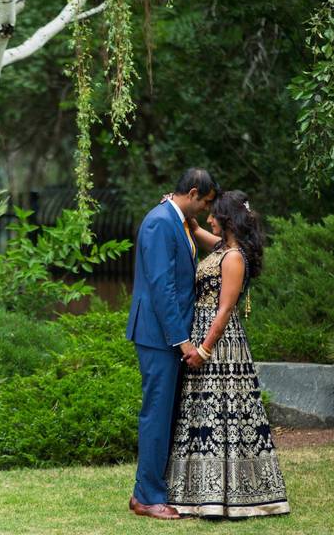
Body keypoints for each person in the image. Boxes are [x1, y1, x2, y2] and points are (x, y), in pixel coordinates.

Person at [165, 190, 290, 518]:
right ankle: (201, 494)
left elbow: (224, 310)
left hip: (219, 345)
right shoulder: (223, 248)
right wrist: (183, 213)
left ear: (228, 220)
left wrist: (204, 349)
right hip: (206, 337)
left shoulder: (233, 257)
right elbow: (201, 234)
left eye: (213, 215)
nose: (209, 219)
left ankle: (232, 495)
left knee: (224, 415)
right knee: (207, 414)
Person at [126, 168, 218, 520]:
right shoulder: (160, 222)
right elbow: (162, 286)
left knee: (165, 415)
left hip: (167, 334)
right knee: (156, 414)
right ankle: (147, 497)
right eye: (206, 202)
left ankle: (147, 492)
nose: (206, 210)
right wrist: (182, 342)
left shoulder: (176, 220)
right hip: (157, 335)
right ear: (193, 193)